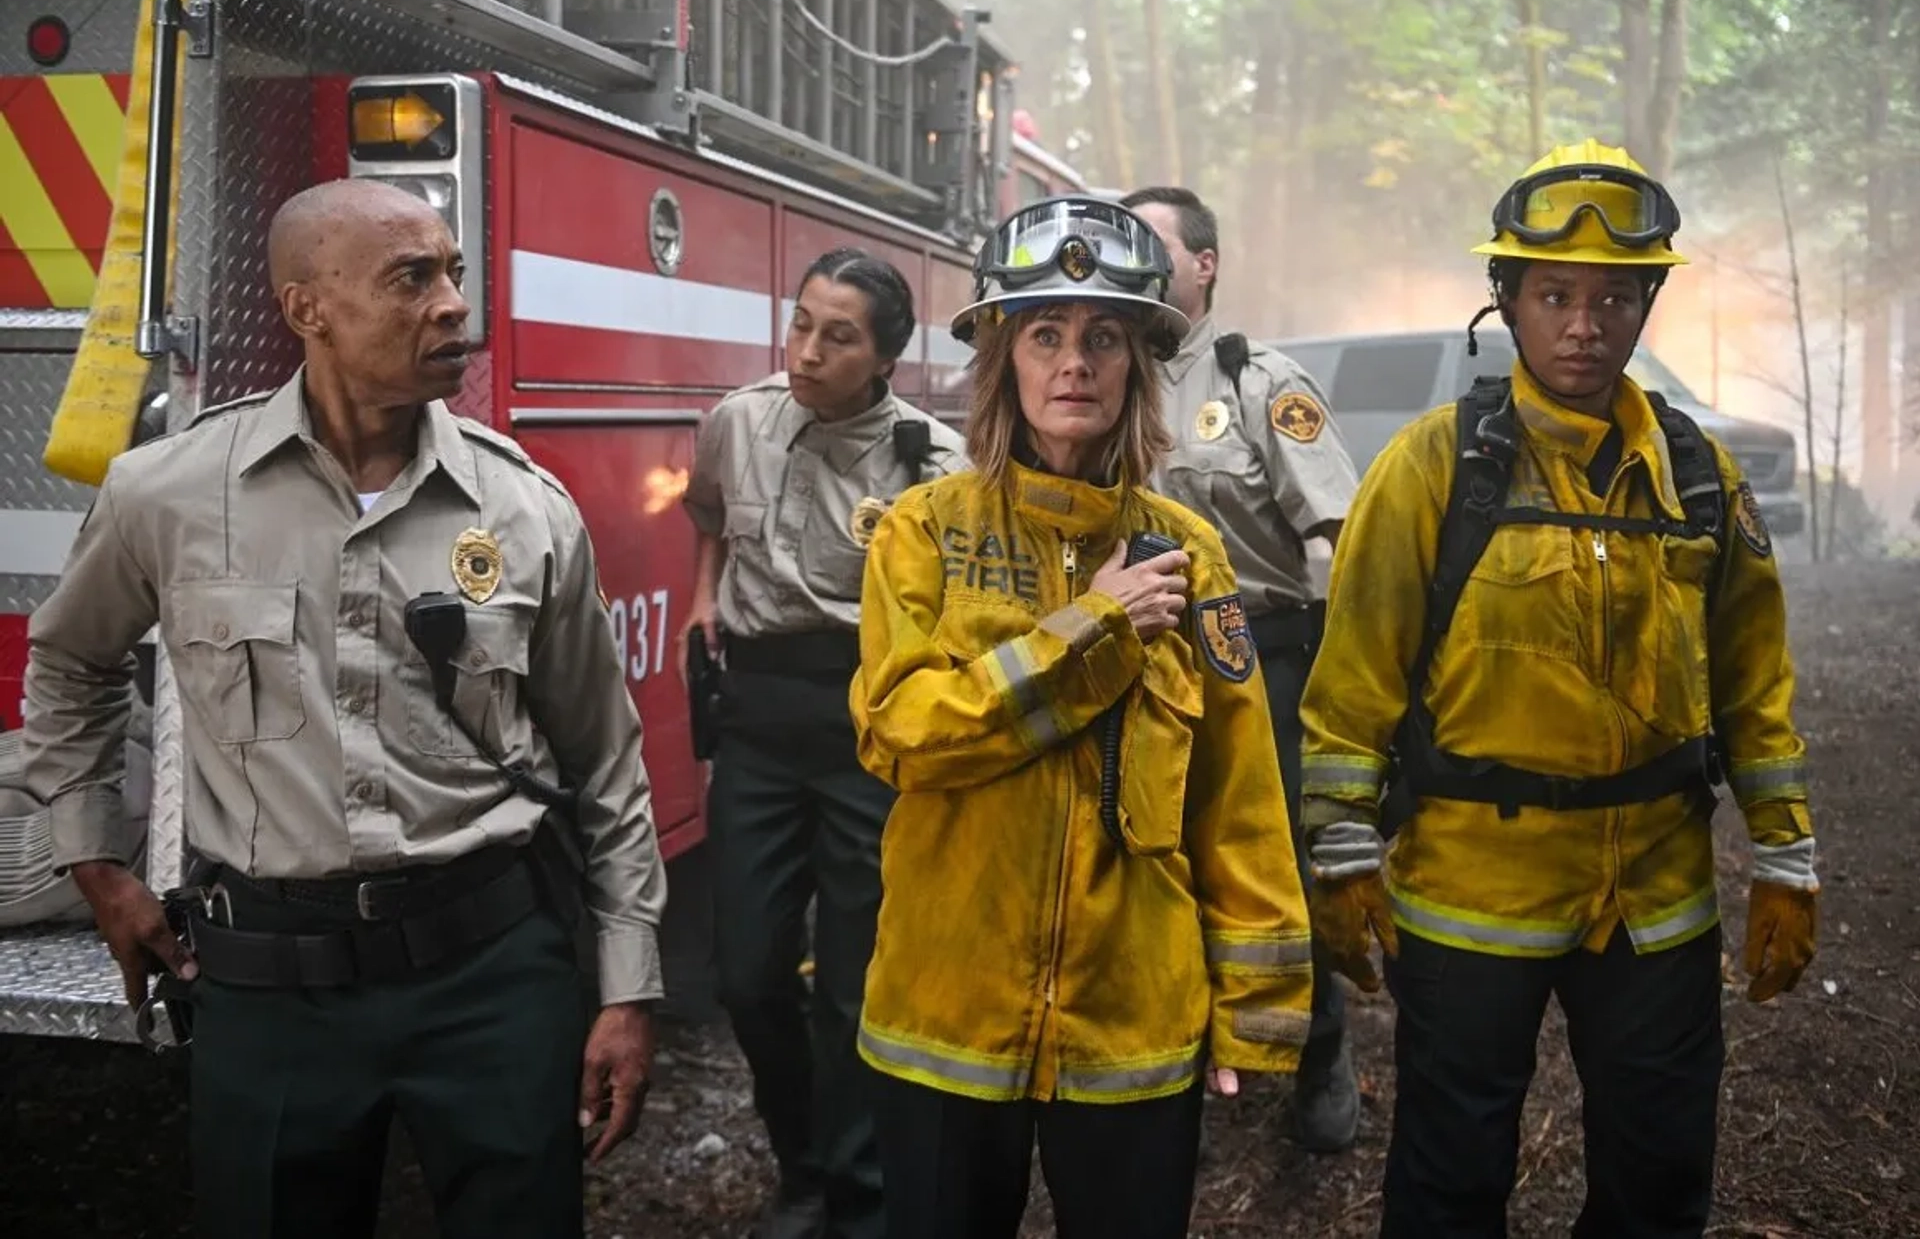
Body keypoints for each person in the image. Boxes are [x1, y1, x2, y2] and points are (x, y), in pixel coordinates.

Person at [22, 178, 664, 1238]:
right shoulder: (170, 494)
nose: (453, 303)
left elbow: (606, 759)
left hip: (492, 977)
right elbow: (69, 667)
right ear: (305, 309)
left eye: (454, 272)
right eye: (412, 278)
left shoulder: (526, 509)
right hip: (271, 990)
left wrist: (628, 988)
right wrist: (99, 868)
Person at [1297, 139, 1820, 1237]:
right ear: (1508, 300)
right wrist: (1342, 848)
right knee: (1450, 1178)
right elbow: (1354, 678)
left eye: (1615, 298)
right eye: (1555, 295)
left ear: (1646, 306)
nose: (1585, 325)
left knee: (1660, 1172)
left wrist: (1785, 849)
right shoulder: (1435, 469)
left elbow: (1751, 675)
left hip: (1655, 898)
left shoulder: (1697, 476)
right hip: (1471, 890)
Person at [848, 195, 1315, 1238]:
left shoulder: (1190, 550)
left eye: (1104, 337)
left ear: (1141, 364)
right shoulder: (922, 533)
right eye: (1046, 334)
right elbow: (899, 734)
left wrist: (1255, 1008)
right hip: (946, 1022)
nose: (1075, 363)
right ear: (1003, 359)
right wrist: (1087, 625)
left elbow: (1238, 788)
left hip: (1133, 1021)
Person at [677, 247, 966, 1239]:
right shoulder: (738, 420)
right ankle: (800, 1158)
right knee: (747, 972)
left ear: (886, 355)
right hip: (757, 725)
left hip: (868, 730)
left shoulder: (934, 460)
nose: (805, 351)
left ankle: (855, 1191)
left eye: (837, 337)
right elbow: (709, 516)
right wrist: (703, 595)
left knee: (855, 984)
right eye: (800, 323)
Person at [1121, 184, 1364, 1151]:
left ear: (1205, 264)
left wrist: (1350, 687)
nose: (1132, 256)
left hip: (1261, 650)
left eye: (1152, 242)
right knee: (1152, 851)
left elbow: (1335, 533)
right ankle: (1186, 1048)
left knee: (1279, 866)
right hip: (1136, 648)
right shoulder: (1102, 372)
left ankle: (1320, 1050)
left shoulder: (1259, 382)